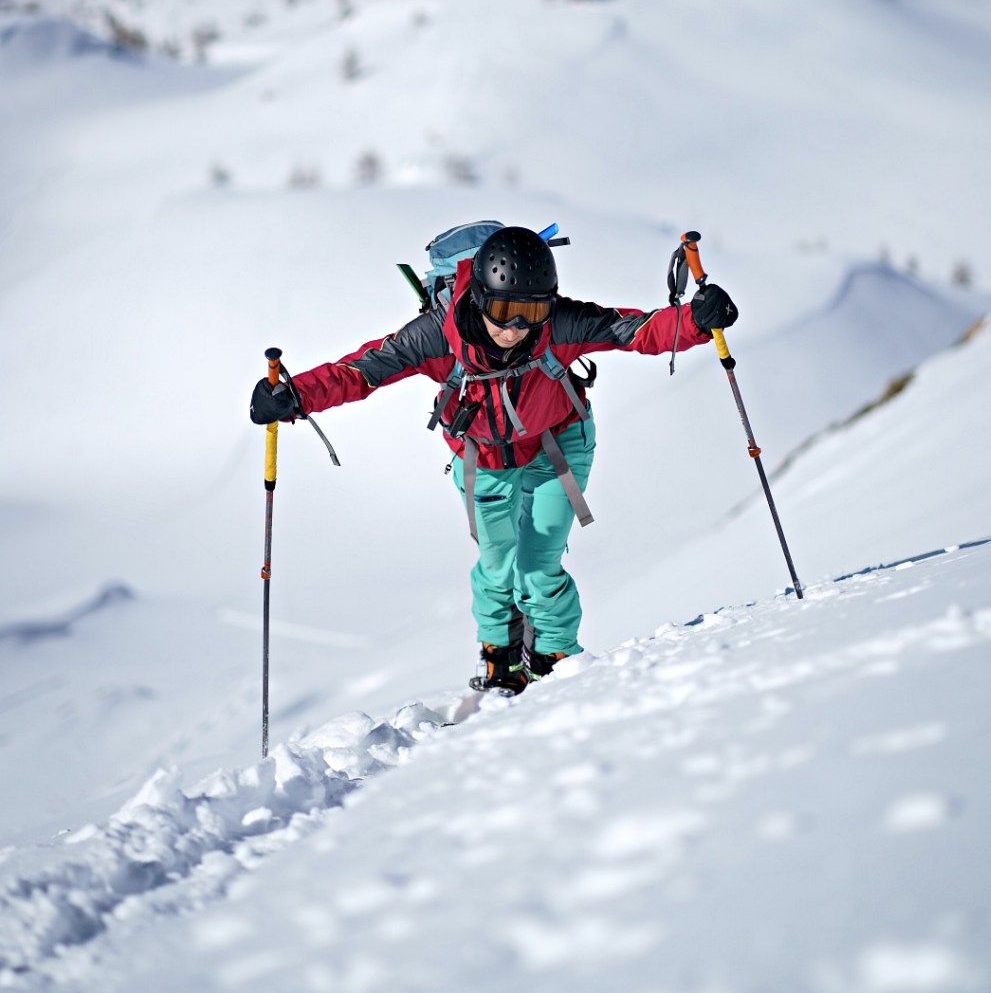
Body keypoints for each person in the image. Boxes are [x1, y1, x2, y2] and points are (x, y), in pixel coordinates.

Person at [250, 226, 737, 694]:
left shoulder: (560, 323)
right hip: (481, 458)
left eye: (531, 311)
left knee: (537, 565)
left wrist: (695, 321)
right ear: (481, 298)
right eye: (504, 310)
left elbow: (634, 330)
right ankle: (500, 657)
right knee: (497, 561)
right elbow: (361, 370)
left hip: (558, 445)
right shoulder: (436, 336)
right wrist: (293, 395)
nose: (516, 327)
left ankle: (557, 665)